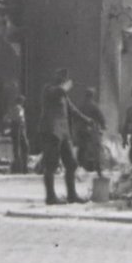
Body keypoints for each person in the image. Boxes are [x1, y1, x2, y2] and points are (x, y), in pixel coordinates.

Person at [37, 67, 94, 206]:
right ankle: (50, 197)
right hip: (52, 132)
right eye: (62, 78)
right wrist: (65, 86)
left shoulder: (63, 96)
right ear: (57, 79)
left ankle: (72, 195)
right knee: (51, 165)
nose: (64, 81)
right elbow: (58, 91)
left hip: (64, 134)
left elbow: (73, 110)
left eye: (64, 79)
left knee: (72, 164)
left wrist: (88, 120)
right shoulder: (49, 89)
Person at [75, 86, 108, 174]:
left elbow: (76, 117)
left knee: (82, 148)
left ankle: (79, 166)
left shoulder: (80, 106)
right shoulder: (94, 106)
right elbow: (101, 117)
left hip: (81, 130)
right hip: (91, 131)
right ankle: (98, 168)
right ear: (92, 96)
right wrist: (104, 126)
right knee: (96, 148)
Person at [6, 95, 30, 174]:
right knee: (25, 147)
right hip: (19, 128)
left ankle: (17, 166)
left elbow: (8, 118)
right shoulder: (19, 108)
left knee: (16, 147)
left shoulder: (13, 108)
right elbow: (19, 118)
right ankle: (23, 167)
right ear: (21, 101)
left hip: (15, 128)